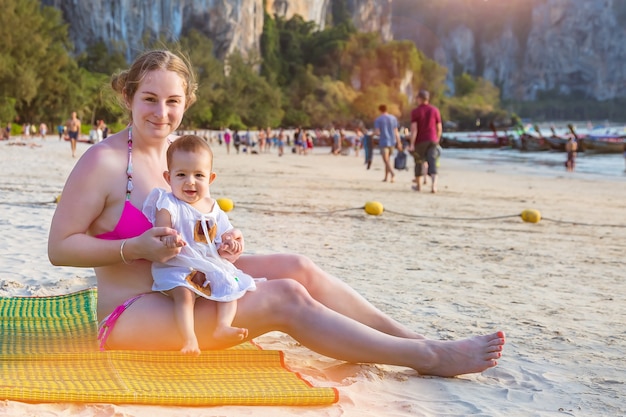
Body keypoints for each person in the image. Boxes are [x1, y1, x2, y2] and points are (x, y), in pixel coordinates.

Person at [48, 49, 505, 377]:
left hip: (193, 280)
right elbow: (59, 248)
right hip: (134, 313)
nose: (161, 112)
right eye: (149, 98)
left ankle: (408, 339)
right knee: (286, 296)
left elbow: (199, 229)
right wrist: (134, 247)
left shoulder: (178, 156)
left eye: (173, 101)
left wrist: (226, 245)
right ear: (128, 96)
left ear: (187, 102)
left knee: (297, 267)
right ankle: (427, 358)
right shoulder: (104, 162)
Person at [143, 135, 259, 354]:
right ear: (168, 177)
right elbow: (160, 231)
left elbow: (225, 238)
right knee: (184, 294)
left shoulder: (214, 208)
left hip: (208, 264)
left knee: (231, 283)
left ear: (211, 178)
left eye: (198, 175)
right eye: (181, 175)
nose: (190, 181)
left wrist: (230, 243)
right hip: (178, 264)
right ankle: (189, 339)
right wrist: (168, 239)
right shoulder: (168, 203)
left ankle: (223, 326)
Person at [409, 90, 442, 193]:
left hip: (420, 140)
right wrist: (437, 139)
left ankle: (418, 186)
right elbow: (439, 127)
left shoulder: (415, 112)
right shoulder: (435, 110)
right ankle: (434, 186)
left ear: (420, 99)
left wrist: (411, 144)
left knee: (418, 162)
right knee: (433, 162)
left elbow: (414, 129)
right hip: (432, 139)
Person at [374, 104, 402, 183]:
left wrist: (371, 135)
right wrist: (399, 142)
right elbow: (396, 132)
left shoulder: (378, 120)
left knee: (386, 160)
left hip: (384, 141)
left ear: (380, 110)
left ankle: (392, 174)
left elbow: (377, 132)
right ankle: (386, 177)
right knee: (388, 160)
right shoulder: (393, 118)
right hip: (392, 142)